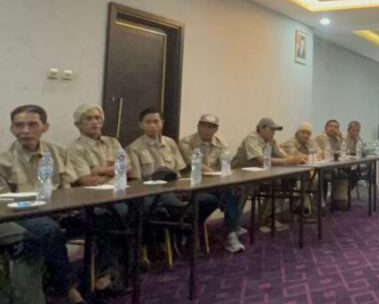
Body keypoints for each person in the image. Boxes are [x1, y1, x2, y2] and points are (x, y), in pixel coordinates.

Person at [0, 105, 86, 304]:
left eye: (32, 124)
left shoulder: (58, 152)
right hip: (24, 215)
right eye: (19, 125)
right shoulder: (4, 159)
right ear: (12, 129)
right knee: (48, 230)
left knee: (106, 217)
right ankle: (68, 288)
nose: (25, 130)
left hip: (61, 210)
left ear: (45, 127)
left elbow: (67, 186)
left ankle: (105, 277)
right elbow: (5, 202)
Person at [65, 103, 131, 292]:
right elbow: (86, 180)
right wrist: (115, 172)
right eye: (89, 118)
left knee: (135, 211)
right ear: (78, 124)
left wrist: (98, 170)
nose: (95, 122)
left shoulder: (113, 142)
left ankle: (115, 271)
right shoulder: (75, 148)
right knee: (116, 216)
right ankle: (113, 272)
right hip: (90, 203)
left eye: (97, 118)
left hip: (118, 196)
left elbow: (128, 167)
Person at [126, 107, 217, 240]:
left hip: (176, 189)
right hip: (154, 193)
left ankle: (187, 227)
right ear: (141, 125)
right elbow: (136, 181)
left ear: (162, 123)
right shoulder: (134, 148)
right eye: (148, 122)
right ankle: (181, 228)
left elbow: (179, 170)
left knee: (210, 200)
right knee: (178, 207)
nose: (153, 125)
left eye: (156, 121)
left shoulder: (170, 143)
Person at [178, 114, 245, 253]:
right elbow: (194, 163)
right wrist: (216, 174)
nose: (207, 129)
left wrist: (222, 174)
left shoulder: (221, 143)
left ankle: (231, 233)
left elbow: (225, 164)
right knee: (226, 196)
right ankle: (232, 230)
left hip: (215, 185)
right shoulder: (187, 141)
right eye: (204, 125)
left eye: (211, 127)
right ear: (198, 126)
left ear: (216, 129)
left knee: (234, 191)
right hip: (193, 184)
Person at [231, 117, 304, 232]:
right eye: (271, 129)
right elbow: (261, 159)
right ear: (261, 128)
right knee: (242, 189)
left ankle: (267, 218)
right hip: (238, 175)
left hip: (258, 174)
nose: (274, 133)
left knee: (279, 183)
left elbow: (282, 155)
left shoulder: (271, 140)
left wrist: (296, 159)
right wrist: (287, 160)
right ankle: (232, 224)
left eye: (275, 130)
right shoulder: (252, 137)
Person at [315, 119, 349, 210]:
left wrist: (341, 139)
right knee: (321, 178)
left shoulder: (336, 139)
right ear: (325, 128)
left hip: (331, 167)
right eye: (331, 126)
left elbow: (344, 152)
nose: (333, 129)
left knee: (344, 175)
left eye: (336, 127)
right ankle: (320, 205)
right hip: (320, 169)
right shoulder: (321, 137)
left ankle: (339, 200)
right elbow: (327, 153)